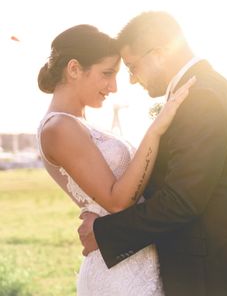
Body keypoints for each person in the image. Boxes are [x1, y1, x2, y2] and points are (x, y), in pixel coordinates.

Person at [78, 11, 227, 295]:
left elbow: (182, 199)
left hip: (225, 273)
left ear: (158, 54)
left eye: (133, 67)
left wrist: (104, 232)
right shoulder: (198, 89)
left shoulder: (202, 97)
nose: (132, 80)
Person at [36, 24, 195, 295]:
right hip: (117, 274)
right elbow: (117, 201)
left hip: (134, 256)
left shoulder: (80, 124)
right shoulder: (58, 128)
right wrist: (156, 130)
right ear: (74, 69)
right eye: (107, 74)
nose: (113, 86)